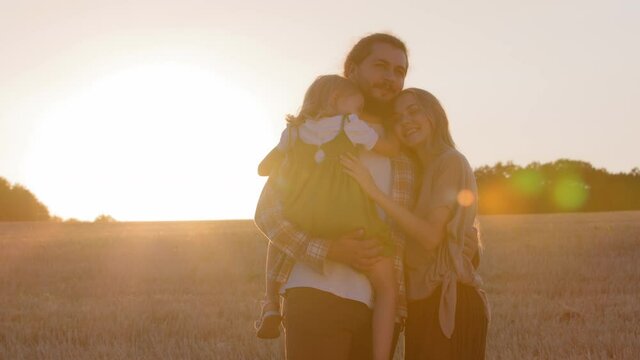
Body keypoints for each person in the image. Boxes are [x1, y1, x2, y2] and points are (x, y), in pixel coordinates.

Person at [254, 33, 414, 360]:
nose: (391, 78)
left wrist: (466, 243)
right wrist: (329, 250)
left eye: (400, 71)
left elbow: (433, 216)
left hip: (380, 311)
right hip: (316, 294)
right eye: (381, 66)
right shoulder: (313, 137)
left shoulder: (407, 147)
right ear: (352, 70)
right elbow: (268, 214)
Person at [341, 88, 490, 359]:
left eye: (414, 111)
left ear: (434, 115)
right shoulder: (419, 171)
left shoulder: (451, 161)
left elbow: (431, 236)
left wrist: (372, 190)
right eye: (397, 118)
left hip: (448, 301)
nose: (406, 121)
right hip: (422, 302)